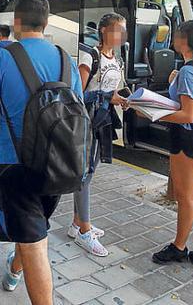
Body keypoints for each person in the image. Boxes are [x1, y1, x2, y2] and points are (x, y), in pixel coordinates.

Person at [0, 0, 83, 305]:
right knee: (33, 228)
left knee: (36, 242)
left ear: (16, 22)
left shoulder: (2, 58)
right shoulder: (66, 59)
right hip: (59, 163)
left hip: (14, 163)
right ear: (46, 23)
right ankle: (14, 268)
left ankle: (24, 274)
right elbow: (77, 113)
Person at [149, 20, 193, 271]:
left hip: (186, 139)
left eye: (177, 34)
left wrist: (154, 113)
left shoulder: (190, 72)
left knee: (185, 197)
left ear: (185, 41)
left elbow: (188, 114)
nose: (173, 37)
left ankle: (179, 247)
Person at [72, 13, 129, 257]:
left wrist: (124, 98)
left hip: (103, 122)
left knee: (89, 171)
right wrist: (109, 97)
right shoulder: (90, 57)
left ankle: (77, 223)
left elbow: (114, 89)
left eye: (123, 30)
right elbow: (76, 95)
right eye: (117, 30)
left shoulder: (116, 59)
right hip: (86, 122)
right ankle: (84, 231)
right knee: (84, 173)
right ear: (104, 30)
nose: (121, 35)